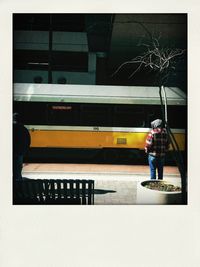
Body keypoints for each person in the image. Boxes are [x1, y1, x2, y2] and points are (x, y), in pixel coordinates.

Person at [13, 113, 31, 180]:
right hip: (20, 152)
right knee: (18, 167)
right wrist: (25, 150)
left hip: (13, 151)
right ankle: (18, 180)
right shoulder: (24, 129)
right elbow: (28, 140)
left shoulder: (12, 128)